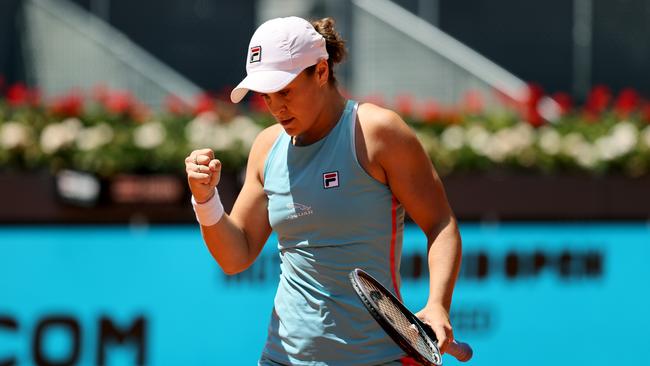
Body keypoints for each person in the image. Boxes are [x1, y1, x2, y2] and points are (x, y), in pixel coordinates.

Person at [185, 16, 462, 366]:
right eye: (266, 96)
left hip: (377, 359)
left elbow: (441, 224)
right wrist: (205, 198)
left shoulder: (377, 132)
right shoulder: (266, 147)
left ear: (320, 71)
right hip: (280, 358)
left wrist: (438, 304)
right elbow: (235, 255)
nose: (275, 107)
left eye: (284, 91)